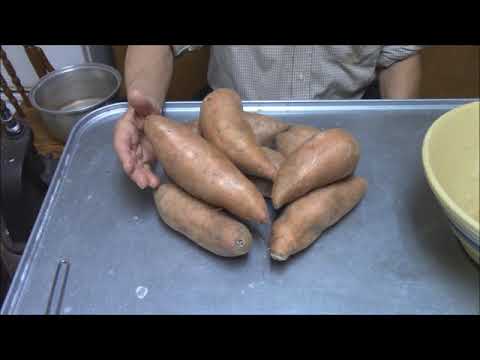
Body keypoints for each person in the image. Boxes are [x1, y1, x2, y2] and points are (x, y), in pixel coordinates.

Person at [113, 45, 423, 190]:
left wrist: (396, 124)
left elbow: (399, 55)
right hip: (228, 121)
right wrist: (145, 100)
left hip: (347, 119)